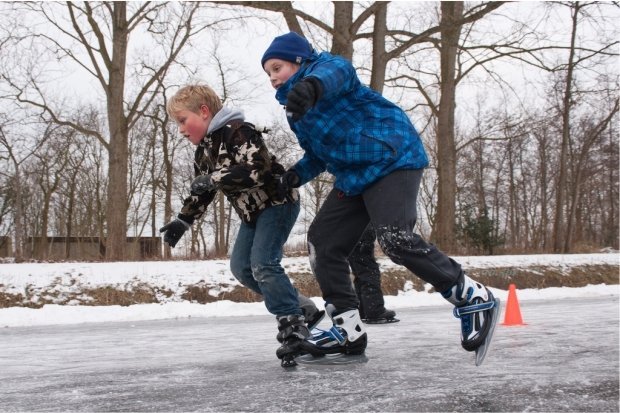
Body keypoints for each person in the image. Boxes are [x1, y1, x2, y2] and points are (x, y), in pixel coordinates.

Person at [261, 32, 500, 363]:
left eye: (277, 67)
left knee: (395, 238)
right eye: (268, 73)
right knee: (323, 241)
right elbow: (318, 154)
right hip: (354, 175)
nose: (273, 77)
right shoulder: (295, 112)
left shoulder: (327, 69)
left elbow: (337, 73)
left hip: (392, 157)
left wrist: (312, 86)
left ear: (300, 61)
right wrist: (294, 175)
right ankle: (347, 329)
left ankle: (471, 296)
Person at [159, 84, 324, 367]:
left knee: (263, 263)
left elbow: (257, 170)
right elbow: (203, 191)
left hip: (277, 203)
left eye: (183, 121)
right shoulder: (204, 152)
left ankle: (292, 324)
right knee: (242, 268)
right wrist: (183, 220)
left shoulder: (239, 131)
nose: (181, 130)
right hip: (252, 215)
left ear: (203, 111)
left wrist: (215, 178)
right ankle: (303, 308)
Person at [348, 225, 398, 324]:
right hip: (360, 231)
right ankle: (374, 310)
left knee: (360, 273)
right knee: (369, 272)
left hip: (350, 233)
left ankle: (363, 310)